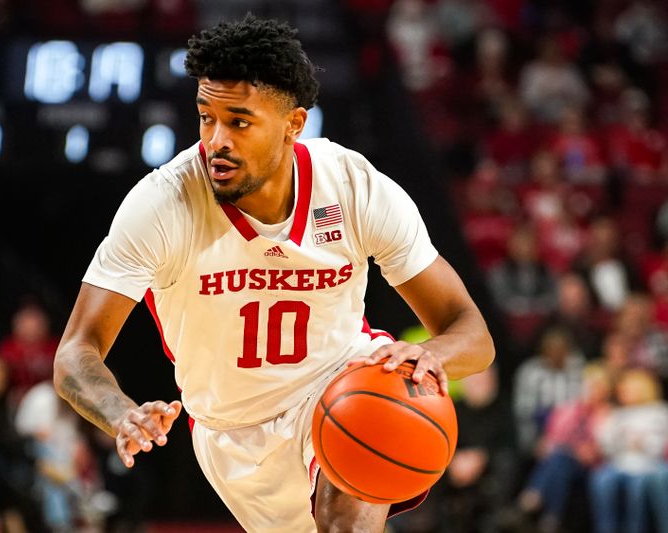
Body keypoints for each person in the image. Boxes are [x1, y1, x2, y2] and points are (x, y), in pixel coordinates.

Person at [53, 14, 494, 532]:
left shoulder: (352, 187)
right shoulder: (163, 204)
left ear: (294, 124)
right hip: (230, 430)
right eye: (206, 117)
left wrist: (431, 354)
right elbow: (74, 354)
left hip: (342, 382)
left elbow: (472, 332)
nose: (217, 141)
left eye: (239, 122)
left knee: (346, 518)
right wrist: (119, 412)